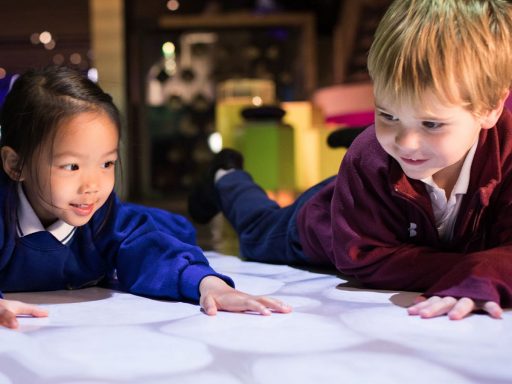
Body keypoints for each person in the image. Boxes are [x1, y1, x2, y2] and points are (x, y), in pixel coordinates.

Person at [188, 0, 512, 320]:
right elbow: (366, 259)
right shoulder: (370, 155)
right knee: (257, 232)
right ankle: (226, 176)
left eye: (431, 123)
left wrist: (485, 274)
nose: (405, 142)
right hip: (322, 220)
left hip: (380, 192)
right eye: (387, 115)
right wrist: (470, 269)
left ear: (490, 109)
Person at [0, 66, 291, 330]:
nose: (92, 185)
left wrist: (210, 285)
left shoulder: (104, 217)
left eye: (107, 164)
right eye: (71, 166)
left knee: (171, 231)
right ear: (16, 165)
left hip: (148, 223)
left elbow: (148, 251)